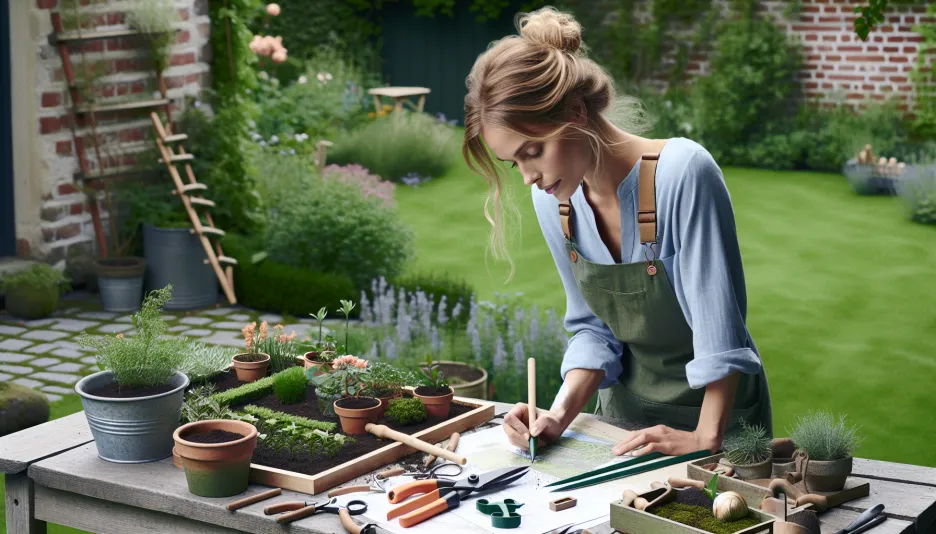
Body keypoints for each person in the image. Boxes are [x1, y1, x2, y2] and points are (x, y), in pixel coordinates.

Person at [461, 6, 772, 458]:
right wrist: (557, 415)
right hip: (620, 428)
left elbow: (718, 326)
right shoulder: (554, 202)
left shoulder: (683, 174)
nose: (528, 176)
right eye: (515, 163)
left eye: (533, 151)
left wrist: (707, 439)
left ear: (576, 111)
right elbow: (592, 329)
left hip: (718, 425)